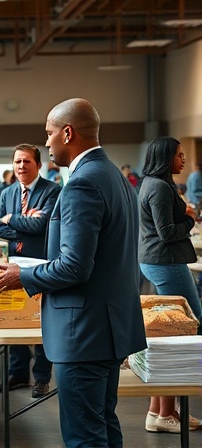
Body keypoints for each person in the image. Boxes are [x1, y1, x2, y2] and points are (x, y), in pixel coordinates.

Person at [0, 98, 147, 448]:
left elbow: (75, 265)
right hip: (112, 326)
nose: (47, 142)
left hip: (84, 332)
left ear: (68, 133)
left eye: (49, 133)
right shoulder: (115, 177)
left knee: (84, 436)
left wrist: (22, 276)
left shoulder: (82, 184)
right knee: (103, 423)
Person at [138, 136, 202, 434]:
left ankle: (161, 411)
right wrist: (189, 217)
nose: (184, 159)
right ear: (166, 157)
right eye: (179, 155)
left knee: (169, 333)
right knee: (185, 330)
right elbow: (166, 232)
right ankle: (165, 413)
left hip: (159, 261)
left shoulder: (153, 184)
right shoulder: (160, 187)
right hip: (165, 261)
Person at [0, 144, 61, 398]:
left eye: (27, 161)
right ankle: (18, 374)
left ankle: (42, 377)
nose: (21, 166)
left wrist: (12, 219)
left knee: (41, 323)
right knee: (13, 317)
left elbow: (43, 225)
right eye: (18, 162)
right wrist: (23, 225)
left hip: (42, 264)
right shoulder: (7, 192)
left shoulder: (53, 191)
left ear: (38, 165)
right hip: (13, 264)